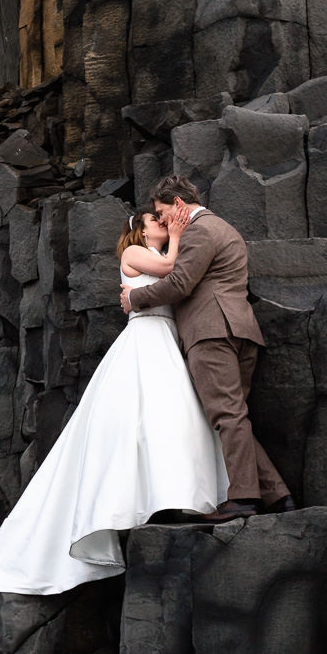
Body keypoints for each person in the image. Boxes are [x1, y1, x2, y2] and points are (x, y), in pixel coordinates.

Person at [0, 209, 228, 597]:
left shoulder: (153, 254)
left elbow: (178, 279)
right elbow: (171, 265)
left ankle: (177, 495)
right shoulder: (133, 255)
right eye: (154, 219)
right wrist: (181, 231)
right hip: (146, 339)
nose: (160, 222)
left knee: (174, 420)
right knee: (151, 417)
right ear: (138, 229)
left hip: (166, 340)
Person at [119, 175, 294, 521]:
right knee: (232, 417)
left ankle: (244, 498)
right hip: (239, 330)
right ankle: (277, 494)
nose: (163, 220)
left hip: (212, 332)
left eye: (162, 211)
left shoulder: (200, 231)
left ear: (179, 205)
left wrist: (134, 297)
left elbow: (181, 282)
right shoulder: (227, 229)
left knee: (227, 416)